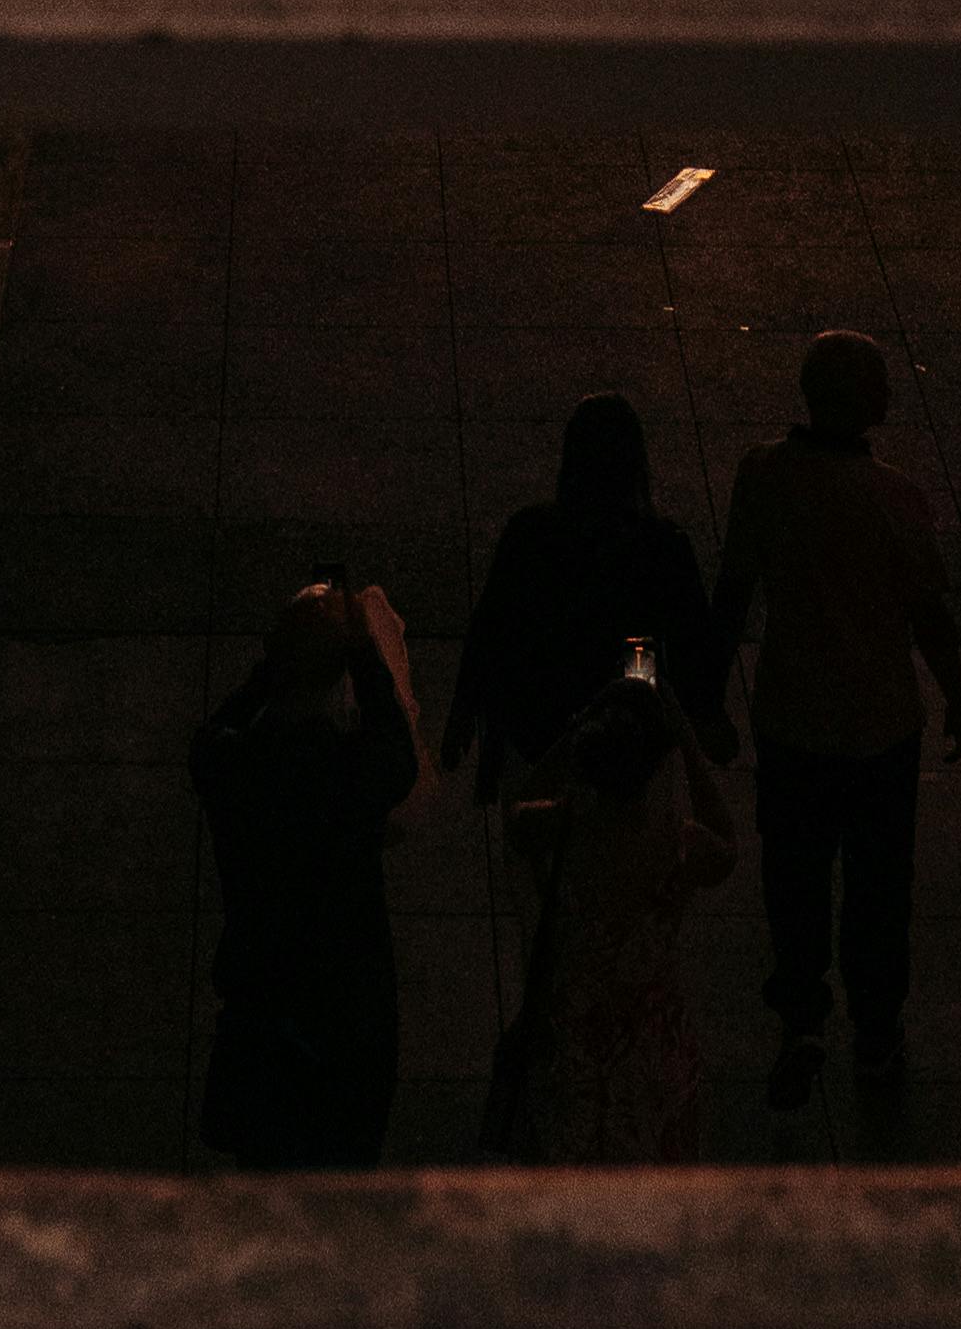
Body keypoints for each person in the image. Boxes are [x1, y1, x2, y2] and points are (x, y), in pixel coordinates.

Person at [705, 329, 961, 1111]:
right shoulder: (895, 496)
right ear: (864, 401)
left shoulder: (764, 476)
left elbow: (733, 592)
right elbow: (928, 612)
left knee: (794, 874)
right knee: (879, 886)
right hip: (881, 724)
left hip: (792, 715)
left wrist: (710, 696)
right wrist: (956, 694)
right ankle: (877, 1029)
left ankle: (800, 1016)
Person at [189, 577, 420, 1170]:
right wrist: (364, 649)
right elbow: (398, 751)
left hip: (263, 1008)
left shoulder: (232, 763)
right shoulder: (350, 772)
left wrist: (276, 663)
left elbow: (211, 737)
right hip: (349, 1019)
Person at [505, 660, 737, 1166]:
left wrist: (582, 723)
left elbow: (516, 809)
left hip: (572, 1043)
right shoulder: (676, 843)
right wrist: (684, 738)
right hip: (656, 1046)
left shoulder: (564, 827)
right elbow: (727, 844)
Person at [448, 395, 725, 800]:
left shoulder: (530, 534)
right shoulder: (662, 546)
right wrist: (704, 715)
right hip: (627, 732)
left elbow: (492, 626)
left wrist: (464, 707)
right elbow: (689, 643)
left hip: (538, 722)